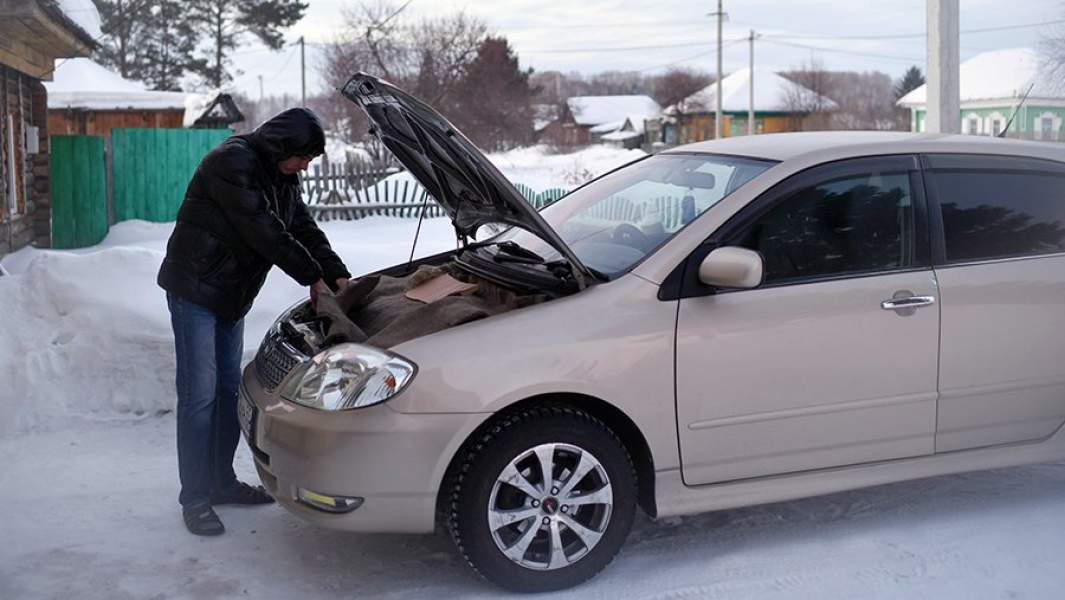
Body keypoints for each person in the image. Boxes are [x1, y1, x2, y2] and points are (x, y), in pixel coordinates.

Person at [157, 108, 350, 536]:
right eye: (304, 157)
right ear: (283, 146)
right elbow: (264, 230)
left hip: (231, 296)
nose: (305, 167)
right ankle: (195, 497)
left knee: (229, 391)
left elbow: (301, 226)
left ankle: (222, 483)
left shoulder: (281, 175)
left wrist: (337, 273)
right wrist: (311, 277)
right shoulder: (232, 162)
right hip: (195, 291)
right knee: (199, 395)